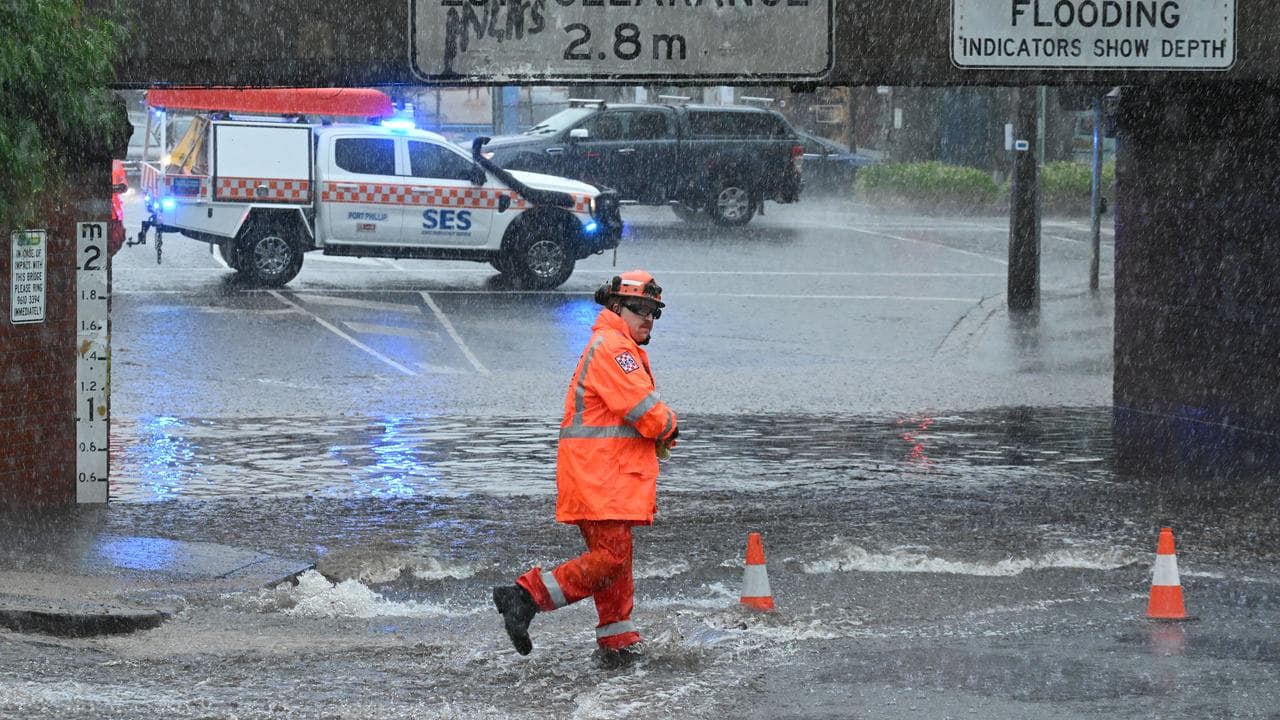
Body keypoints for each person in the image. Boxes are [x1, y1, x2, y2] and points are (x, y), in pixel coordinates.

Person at [493, 269, 679, 669]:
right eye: (640, 309)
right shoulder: (615, 348)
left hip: (602, 476)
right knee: (611, 558)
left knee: (615, 559)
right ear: (616, 307)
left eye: (654, 312)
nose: (648, 317)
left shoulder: (612, 344)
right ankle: (525, 596)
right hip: (602, 477)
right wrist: (669, 426)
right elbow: (645, 412)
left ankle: (618, 641)